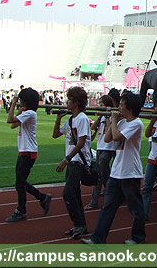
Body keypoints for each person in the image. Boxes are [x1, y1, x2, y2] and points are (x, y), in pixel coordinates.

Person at [81, 92, 146, 244]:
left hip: (130, 172)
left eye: (122, 104)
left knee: (135, 208)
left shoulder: (136, 123)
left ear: (129, 108)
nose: (119, 107)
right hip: (117, 172)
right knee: (108, 207)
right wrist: (112, 120)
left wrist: (115, 119)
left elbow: (117, 137)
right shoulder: (122, 122)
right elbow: (107, 138)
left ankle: (138, 237)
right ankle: (97, 238)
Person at [5, 88, 52, 222]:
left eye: (20, 100)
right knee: (20, 182)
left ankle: (22, 210)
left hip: (28, 151)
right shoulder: (27, 113)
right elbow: (13, 126)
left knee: (19, 183)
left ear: (25, 101)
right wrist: (20, 111)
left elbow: (9, 120)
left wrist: (13, 104)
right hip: (24, 150)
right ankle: (42, 197)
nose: (18, 102)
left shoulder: (30, 113)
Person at [53, 86, 92, 239]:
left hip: (78, 162)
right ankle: (79, 225)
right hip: (72, 161)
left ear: (76, 102)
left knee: (68, 193)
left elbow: (81, 142)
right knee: (73, 194)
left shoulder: (82, 118)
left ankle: (79, 224)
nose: (67, 102)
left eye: (69, 99)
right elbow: (56, 135)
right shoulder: (71, 119)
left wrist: (66, 159)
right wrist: (58, 120)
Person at [84, 95, 117, 210]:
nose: (100, 106)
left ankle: (94, 201)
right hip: (100, 146)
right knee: (105, 173)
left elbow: (110, 130)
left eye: (102, 104)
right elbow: (92, 128)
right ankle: (112, 193)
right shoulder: (102, 117)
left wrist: (107, 117)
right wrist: (99, 118)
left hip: (109, 148)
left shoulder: (113, 115)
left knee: (98, 173)